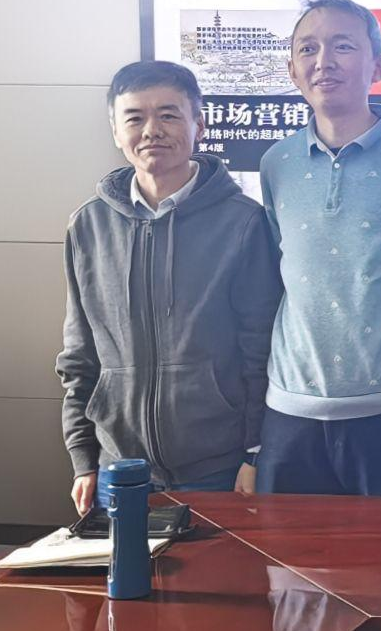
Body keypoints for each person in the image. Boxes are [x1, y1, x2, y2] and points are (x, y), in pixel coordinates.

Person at [257, 0, 381, 496]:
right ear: (292, 70)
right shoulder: (276, 163)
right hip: (290, 414)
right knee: (284, 550)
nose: (323, 61)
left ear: (379, 67)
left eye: (342, 46)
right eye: (308, 49)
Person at [60, 60, 281, 513]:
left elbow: (260, 348)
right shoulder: (89, 225)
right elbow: (79, 351)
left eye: (168, 114)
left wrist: (254, 452)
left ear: (199, 124)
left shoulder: (242, 223)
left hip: (219, 469)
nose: (151, 131)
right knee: (125, 564)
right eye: (134, 118)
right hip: (118, 468)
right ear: (115, 131)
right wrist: (83, 457)